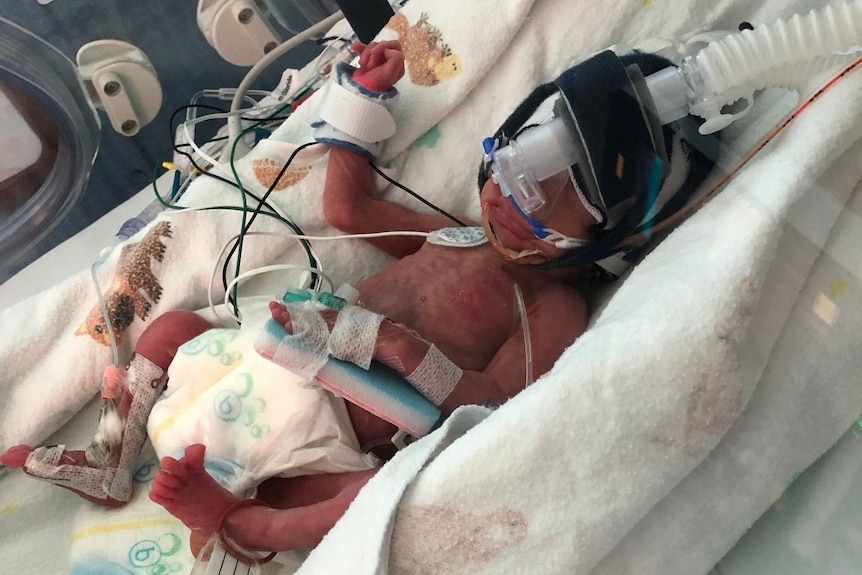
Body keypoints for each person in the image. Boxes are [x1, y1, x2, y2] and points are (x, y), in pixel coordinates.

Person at [1, 38, 718, 560]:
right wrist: (359, 103)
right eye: (517, 163)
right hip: (259, 359)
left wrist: (394, 347)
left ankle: (243, 524)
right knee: (171, 329)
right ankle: (109, 456)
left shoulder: (555, 313)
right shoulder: (464, 236)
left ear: (602, 246)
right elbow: (348, 210)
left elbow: (487, 406)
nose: (504, 196)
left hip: (335, 431)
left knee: (355, 500)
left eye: (541, 202)